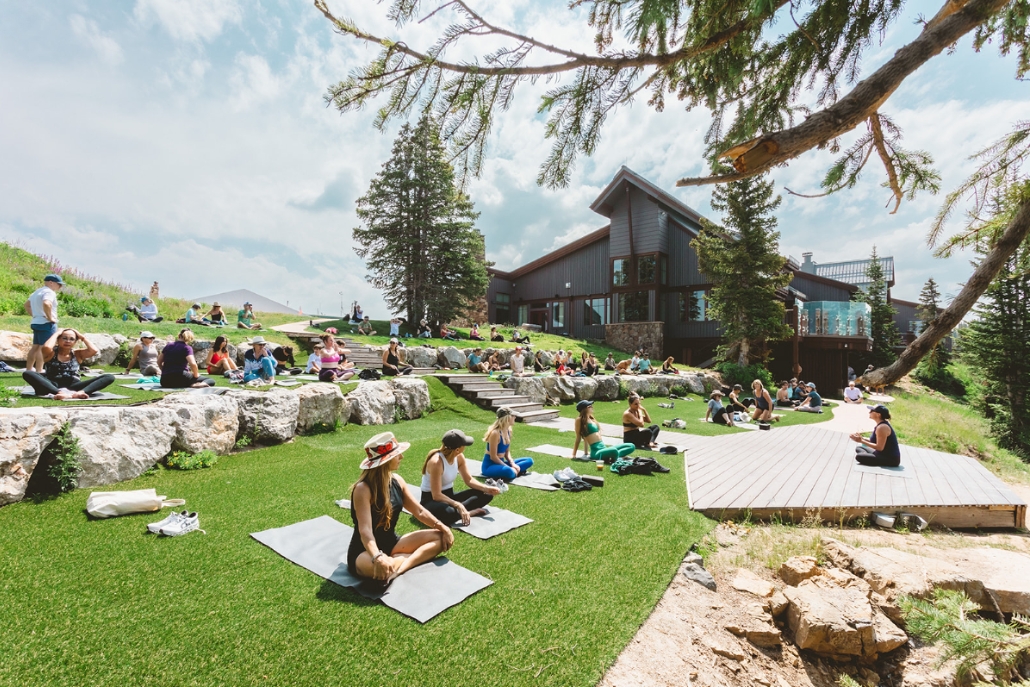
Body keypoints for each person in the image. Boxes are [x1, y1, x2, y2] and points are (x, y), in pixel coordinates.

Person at [348, 432, 453, 583]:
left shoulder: (397, 481)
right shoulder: (363, 489)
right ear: (386, 460)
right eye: (397, 455)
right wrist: (377, 557)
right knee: (382, 569)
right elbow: (365, 530)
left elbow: (419, 511)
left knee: (441, 537)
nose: (401, 457)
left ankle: (401, 567)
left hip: (393, 543)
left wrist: (444, 528)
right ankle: (406, 560)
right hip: (365, 551)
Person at [420, 429, 500, 526]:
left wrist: (486, 488)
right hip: (431, 500)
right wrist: (458, 504)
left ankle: (459, 512)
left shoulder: (459, 457)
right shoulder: (436, 463)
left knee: (486, 494)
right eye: (464, 445)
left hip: (449, 495)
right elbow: (436, 495)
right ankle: (468, 512)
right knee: (448, 513)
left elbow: (469, 480)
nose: (465, 447)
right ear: (457, 449)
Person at [22, 328, 115, 399]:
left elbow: (94, 350)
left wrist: (82, 337)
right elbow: (46, 346)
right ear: (58, 340)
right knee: (28, 373)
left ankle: (80, 393)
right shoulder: (51, 353)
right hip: (52, 385)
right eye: (64, 338)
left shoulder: (77, 354)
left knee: (109, 377)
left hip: (74, 386)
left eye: (71, 339)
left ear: (75, 342)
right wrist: (57, 333)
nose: (68, 341)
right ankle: (59, 393)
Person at [481, 407, 534, 480]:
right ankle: (514, 472)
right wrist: (509, 467)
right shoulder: (495, 433)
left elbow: (507, 452)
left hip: (501, 463)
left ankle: (514, 472)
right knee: (508, 471)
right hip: (490, 466)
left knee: (529, 460)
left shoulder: (509, 431)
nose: (515, 417)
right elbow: (493, 457)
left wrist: (512, 464)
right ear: (507, 418)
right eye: (513, 416)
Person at [25, 273, 63, 373]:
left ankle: (29, 369)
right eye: (59, 284)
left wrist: (35, 315)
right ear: (51, 283)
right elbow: (47, 303)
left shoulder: (37, 292)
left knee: (35, 346)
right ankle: (39, 370)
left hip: (36, 322)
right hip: (46, 323)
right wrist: (50, 318)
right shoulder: (49, 292)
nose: (60, 286)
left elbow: (27, 305)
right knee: (43, 348)